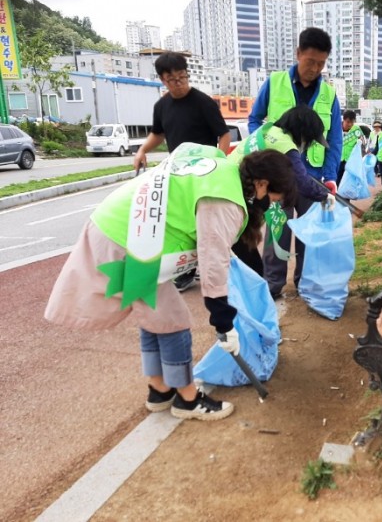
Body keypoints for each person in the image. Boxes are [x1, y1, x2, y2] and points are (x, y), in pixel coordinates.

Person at [45, 146, 297, 421]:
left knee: (155, 315)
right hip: (127, 240)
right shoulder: (224, 201)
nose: (271, 204)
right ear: (261, 184)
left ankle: (160, 389)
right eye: (273, 197)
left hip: (127, 229)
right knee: (173, 320)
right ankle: (187, 400)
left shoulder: (223, 169)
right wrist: (224, 323)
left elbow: (186, 150)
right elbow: (213, 264)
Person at [248, 26, 342, 299]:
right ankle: (272, 285)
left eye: (321, 63)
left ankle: (306, 282)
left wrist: (330, 175)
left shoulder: (329, 94)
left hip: (311, 176)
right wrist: (265, 149)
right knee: (277, 231)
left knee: (310, 235)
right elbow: (255, 120)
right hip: (278, 176)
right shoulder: (274, 82)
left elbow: (334, 139)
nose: (314, 68)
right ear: (298, 53)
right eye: (310, 61)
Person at [133, 51, 232, 293]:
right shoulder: (162, 106)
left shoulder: (203, 102)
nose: (179, 83)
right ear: (162, 80)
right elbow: (159, 133)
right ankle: (185, 270)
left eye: (182, 77)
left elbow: (224, 134)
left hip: (204, 173)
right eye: (172, 79)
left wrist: (219, 161)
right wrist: (142, 149)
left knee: (206, 223)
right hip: (177, 172)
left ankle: (215, 269)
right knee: (180, 222)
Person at [228, 104, 336, 279]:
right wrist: (325, 196)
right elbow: (302, 182)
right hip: (234, 200)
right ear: (302, 133)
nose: (307, 145)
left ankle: (259, 287)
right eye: (309, 140)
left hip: (233, 192)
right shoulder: (285, 144)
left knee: (244, 254)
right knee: (247, 262)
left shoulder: (267, 131)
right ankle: (252, 295)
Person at [337, 110, 366, 186]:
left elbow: (363, 143)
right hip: (338, 160)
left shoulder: (356, 129)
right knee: (337, 181)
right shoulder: (336, 128)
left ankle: (345, 198)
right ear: (344, 119)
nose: (350, 124)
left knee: (348, 183)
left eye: (352, 122)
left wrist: (361, 143)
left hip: (350, 161)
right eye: (348, 122)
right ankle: (335, 197)